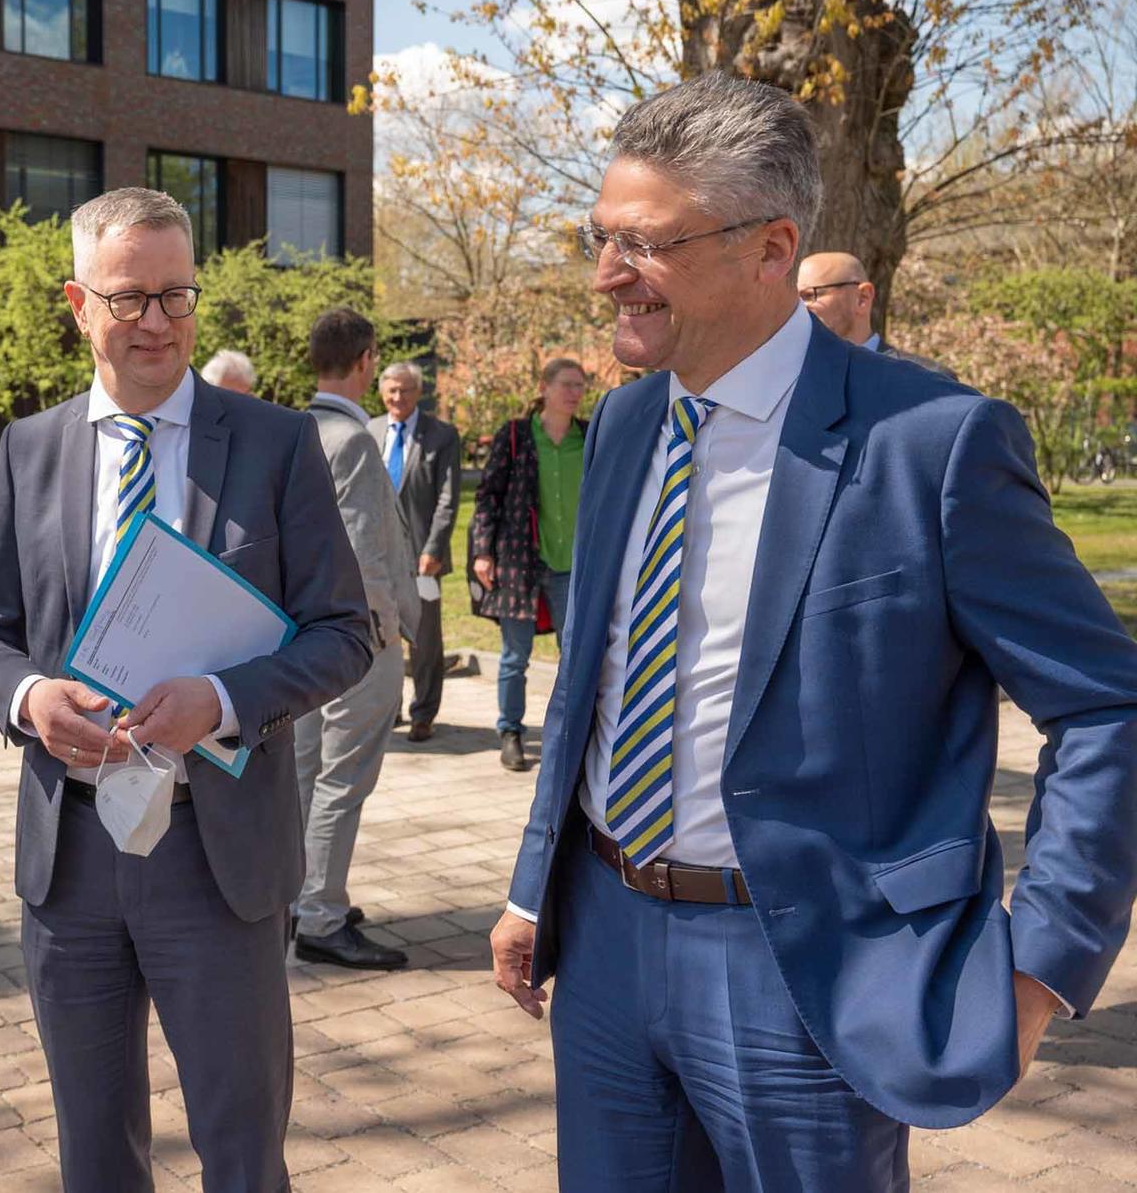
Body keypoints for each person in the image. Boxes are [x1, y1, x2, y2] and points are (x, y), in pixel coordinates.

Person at [489, 71, 1137, 1192]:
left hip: (804, 968)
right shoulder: (624, 422)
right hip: (599, 940)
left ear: (768, 247)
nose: (604, 275)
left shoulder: (931, 442)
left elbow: (1102, 702)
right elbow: (591, 678)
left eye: (644, 245)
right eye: (600, 237)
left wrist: (1040, 966)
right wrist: (530, 881)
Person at [0, 187, 372, 1192]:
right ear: (76, 302)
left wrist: (222, 700)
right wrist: (27, 700)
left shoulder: (274, 446)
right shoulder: (30, 449)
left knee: (239, 1146)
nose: (156, 322)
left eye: (176, 297)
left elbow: (344, 633)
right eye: (130, 296)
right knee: (93, 1150)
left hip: (215, 850)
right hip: (72, 856)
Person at [294, 310, 420, 970]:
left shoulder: (291, 430)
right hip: (354, 641)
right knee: (342, 780)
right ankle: (319, 913)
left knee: (305, 771)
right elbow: (368, 552)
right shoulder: (355, 441)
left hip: (297, 636)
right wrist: (387, 632)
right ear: (367, 360)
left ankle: (298, 897)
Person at [469, 359, 588, 772]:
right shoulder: (517, 435)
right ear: (545, 387)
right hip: (519, 560)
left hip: (573, 563)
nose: (575, 393)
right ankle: (511, 732)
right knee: (514, 656)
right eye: (568, 384)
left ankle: (571, 733)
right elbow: (488, 495)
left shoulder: (589, 436)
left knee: (575, 654)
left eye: (581, 386)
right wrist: (483, 551)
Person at [369, 360, 462, 741]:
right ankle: (389, 708)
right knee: (382, 636)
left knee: (425, 640)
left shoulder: (441, 434)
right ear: (382, 392)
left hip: (424, 556)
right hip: (378, 554)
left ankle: (424, 713)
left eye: (405, 390)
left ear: (418, 392)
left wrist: (434, 547)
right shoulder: (370, 430)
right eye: (391, 389)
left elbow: (448, 497)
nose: (398, 397)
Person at [797, 251, 955, 376]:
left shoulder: (927, 379)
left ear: (862, 298)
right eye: (796, 299)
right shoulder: (791, 380)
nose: (800, 308)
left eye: (810, 296)